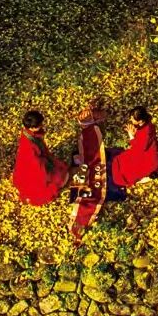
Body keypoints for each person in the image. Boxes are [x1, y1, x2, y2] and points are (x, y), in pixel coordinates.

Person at [68, 99, 109, 242]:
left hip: (87, 152)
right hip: (88, 150)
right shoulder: (89, 134)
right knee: (90, 173)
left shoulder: (89, 134)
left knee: (87, 172)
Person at [11, 110, 68, 206]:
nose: (41, 126)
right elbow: (38, 166)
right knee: (62, 178)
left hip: (38, 160)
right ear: (32, 128)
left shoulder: (26, 132)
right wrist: (48, 167)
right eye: (39, 125)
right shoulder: (29, 148)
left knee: (62, 171)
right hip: (35, 168)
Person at [105, 106, 158, 202]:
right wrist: (135, 134)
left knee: (120, 176)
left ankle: (146, 176)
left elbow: (138, 149)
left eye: (133, 119)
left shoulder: (146, 133)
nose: (131, 121)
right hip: (143, 152)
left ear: (140, 121)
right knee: (118, 160)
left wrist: (131, 135)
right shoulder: (147, 125)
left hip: (148, 159)